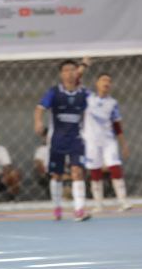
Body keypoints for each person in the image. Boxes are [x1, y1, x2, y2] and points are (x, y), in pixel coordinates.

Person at [34, 59, 91, 221]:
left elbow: (93, 107)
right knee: (57, 175)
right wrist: (38, 121)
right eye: (65, 71)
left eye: (72, 70)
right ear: (61, 74)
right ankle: (57, 207)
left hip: (76, 138)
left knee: (77, 171)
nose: (69, 73)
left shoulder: (84, 93)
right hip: (57, 139)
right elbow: (39, 108)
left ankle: (79, 209)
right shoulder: (54, 92)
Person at [83, 73, 131, 213]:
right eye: (103, 80)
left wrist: (124, 145)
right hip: (91, 140)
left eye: (109, 81)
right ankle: (98, 204)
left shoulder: (113, 103)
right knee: (95, 170)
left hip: (108, 140)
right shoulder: (88, 98)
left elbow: (117, 126)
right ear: (96, 83)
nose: (106, 83)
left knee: (115, 167)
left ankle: (123, 201)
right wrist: (84, 66)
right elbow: (77, 80)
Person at [33, 128, 51, 199]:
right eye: (45, 136)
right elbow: (38, 163)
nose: (47, 138)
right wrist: (43, 172)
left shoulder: (60, 148)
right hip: (46, 173)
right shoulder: (41, 149)